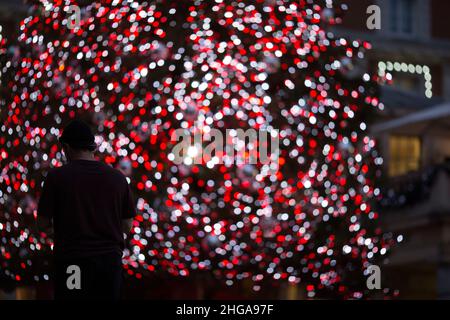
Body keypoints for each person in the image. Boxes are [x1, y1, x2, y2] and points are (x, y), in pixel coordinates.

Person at [37, 119, 136, 300]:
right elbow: (127, 225)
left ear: (66, 148)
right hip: (109, 264)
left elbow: (43, 222)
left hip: (72, 264)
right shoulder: (117, 178)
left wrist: (63, 233)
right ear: (93, 148)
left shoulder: (57, 178)